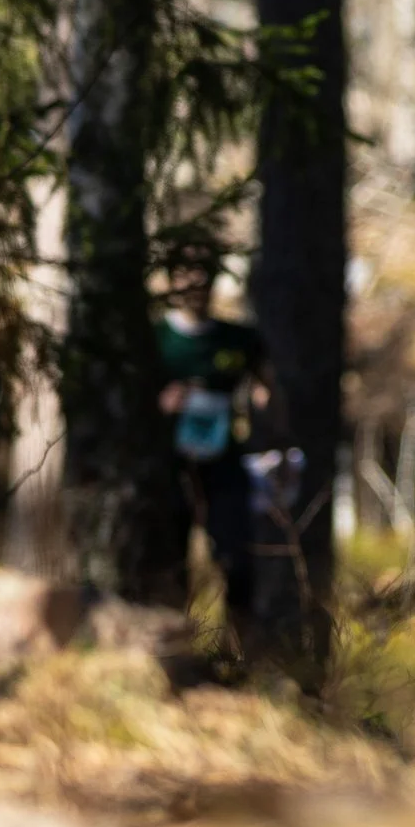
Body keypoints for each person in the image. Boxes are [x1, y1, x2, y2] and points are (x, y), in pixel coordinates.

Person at [155, 239, 279, 629]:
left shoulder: (240, 340)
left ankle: (239, 646)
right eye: (185, 275)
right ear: (170, 280)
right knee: (169, 561)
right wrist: (163, 403)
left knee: (237, 559)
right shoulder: (155, 339)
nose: (195, 284)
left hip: (225, 464)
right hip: (168, 467)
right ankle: (173, 644)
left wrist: (266, 419)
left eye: (203, 275)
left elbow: (268, 391)